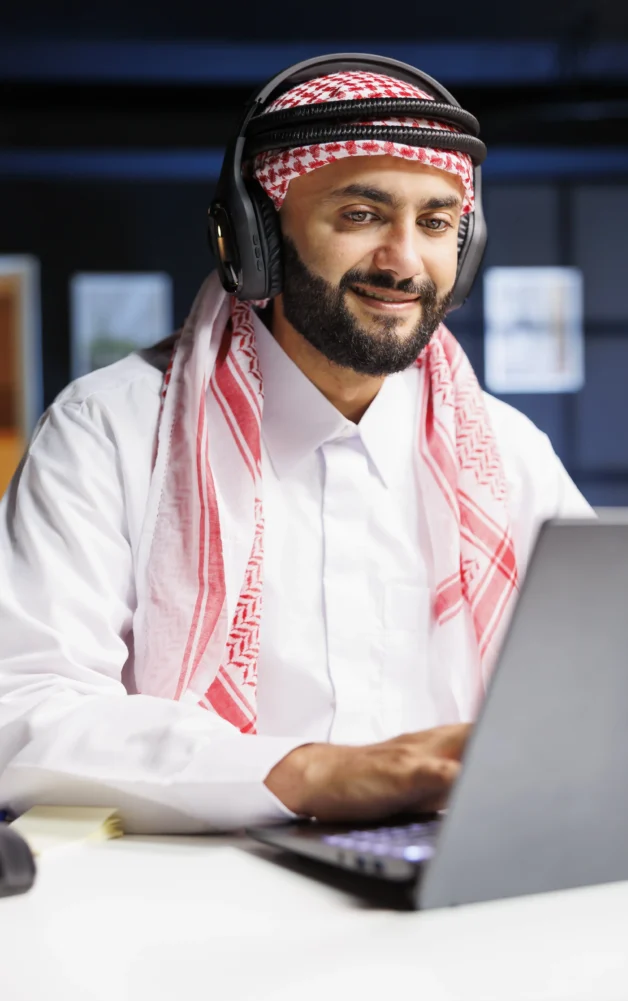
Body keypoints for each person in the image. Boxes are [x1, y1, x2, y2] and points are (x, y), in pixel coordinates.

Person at [0, 57, 592, 834]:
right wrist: (311, 773)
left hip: (454, 889)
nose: (405, 261)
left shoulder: (509, 453)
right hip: (184, 906)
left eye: (437, 223)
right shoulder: (109, 429)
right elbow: (22, 713)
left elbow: (604, 684)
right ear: (257, 238)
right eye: (361, 215)